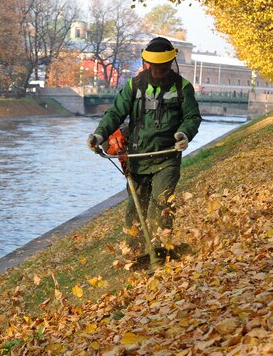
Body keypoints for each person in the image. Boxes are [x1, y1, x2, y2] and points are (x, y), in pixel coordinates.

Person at [86, 36, 202, 254]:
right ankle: (135, 252)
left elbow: (192, 117)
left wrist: (184, 134)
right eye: (155, 65)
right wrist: (99, 135)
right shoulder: (135, 85)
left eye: (163, 65)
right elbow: (116, 113)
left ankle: (162, 251)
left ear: (170, 63)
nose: (158, 70)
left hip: (167, 158)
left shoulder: (182, 87)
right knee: (134, 209)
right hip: (137, 157)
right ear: (148, 63)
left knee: (162, 205)